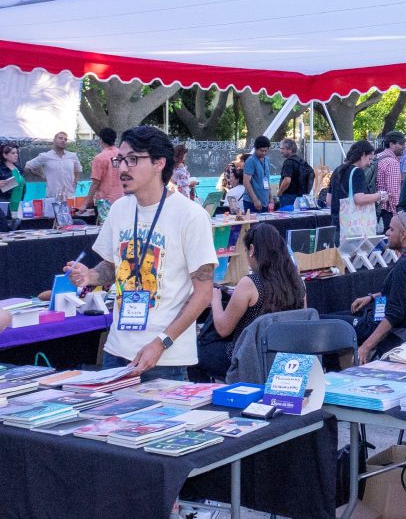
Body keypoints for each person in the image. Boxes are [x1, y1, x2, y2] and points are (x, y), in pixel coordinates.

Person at [65, 126, 218, 382]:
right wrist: (89, 275)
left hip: (164, 357)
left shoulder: (191, 215)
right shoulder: (119, 209)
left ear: (159, 163)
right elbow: (114, 267)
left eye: (133, 159)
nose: (123, 168)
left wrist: (161, 342)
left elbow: (203, 294)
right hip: (116, 350)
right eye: (121, 160)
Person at [198, 224, 306, 380]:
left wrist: (215, 301)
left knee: (197, 351)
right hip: (286, 358)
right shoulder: (298, 282)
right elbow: (302, 321)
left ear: (252, 250)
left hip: (248, 359)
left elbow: (223, 329)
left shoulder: (250, 284)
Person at [349, 212, 406, 363]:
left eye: (391, 229)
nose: (387, 232)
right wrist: (371, 297)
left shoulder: (405, 266)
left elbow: (393, 315)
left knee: (334, 326)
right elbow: (403, 292)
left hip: (394, 329)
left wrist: (366, 347)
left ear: (403, 234)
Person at [328, 140, 384, 230]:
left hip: (336, 223)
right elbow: (359, 199)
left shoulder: (337, 170)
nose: (369, 163)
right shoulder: (358, 172)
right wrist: (380, 195)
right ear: (363, 155)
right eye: (369, 158)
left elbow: (329, 200)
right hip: (353, 226)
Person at [24, 131, 82, 198]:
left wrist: (75, 182)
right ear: (54, 140)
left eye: (65, 139)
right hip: (52, 196)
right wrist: (41, 175)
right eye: (60, 138)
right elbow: (28, 166)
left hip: (70, 196)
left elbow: (78, 169)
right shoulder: (45, 156)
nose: (63, 140)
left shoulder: (72, 156)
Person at [85, 128, 124, 207]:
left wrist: (87, 201)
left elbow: (95, 182)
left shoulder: (100, 158)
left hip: (105, 202)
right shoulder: (121, 154)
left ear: (101, 139)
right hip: (122, 198)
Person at [376, 131, 406, 231]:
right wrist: (396, 213)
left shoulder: (378, 157)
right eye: (401, 143)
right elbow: (393, 193)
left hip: (375, 207)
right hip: (387, 210)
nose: (404, 146)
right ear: (392, 144)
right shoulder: (392, 162)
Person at [242, 135, 272, 213]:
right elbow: (246, 181)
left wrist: (271, 197)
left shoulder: (267, 160)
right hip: (252, 202)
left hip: (265, 201)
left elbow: (267, 180)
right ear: (255, 149)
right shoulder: (251, 161)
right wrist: (255, 199)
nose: (264, 153)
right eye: (261, 151)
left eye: (266, 150)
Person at [278, 138, 309, 209]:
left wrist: (279, 192)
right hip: (300, 196)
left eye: (282, 149)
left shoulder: (289, 162)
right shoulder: (301, 161)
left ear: (290, 150)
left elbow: (287, 180)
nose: (280, 151)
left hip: (288, 196)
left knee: (286, 217)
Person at [0, 143, 26, 213]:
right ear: (5, 155)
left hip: (19, 205)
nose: (16, 155)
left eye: (17, 153)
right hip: (5, 205)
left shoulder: (19, 169)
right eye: (13, 153)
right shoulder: (1, 168)